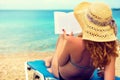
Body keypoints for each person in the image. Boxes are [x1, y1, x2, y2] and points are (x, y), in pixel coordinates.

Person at [44, 2, 118, 80]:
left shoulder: (72, 41)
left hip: (65, 77)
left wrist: (66, 40)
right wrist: (104, 72)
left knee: (61, 37)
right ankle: (50, 59)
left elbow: (61, 63)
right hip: (87, 77)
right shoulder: (110, 48)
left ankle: (51, 66)